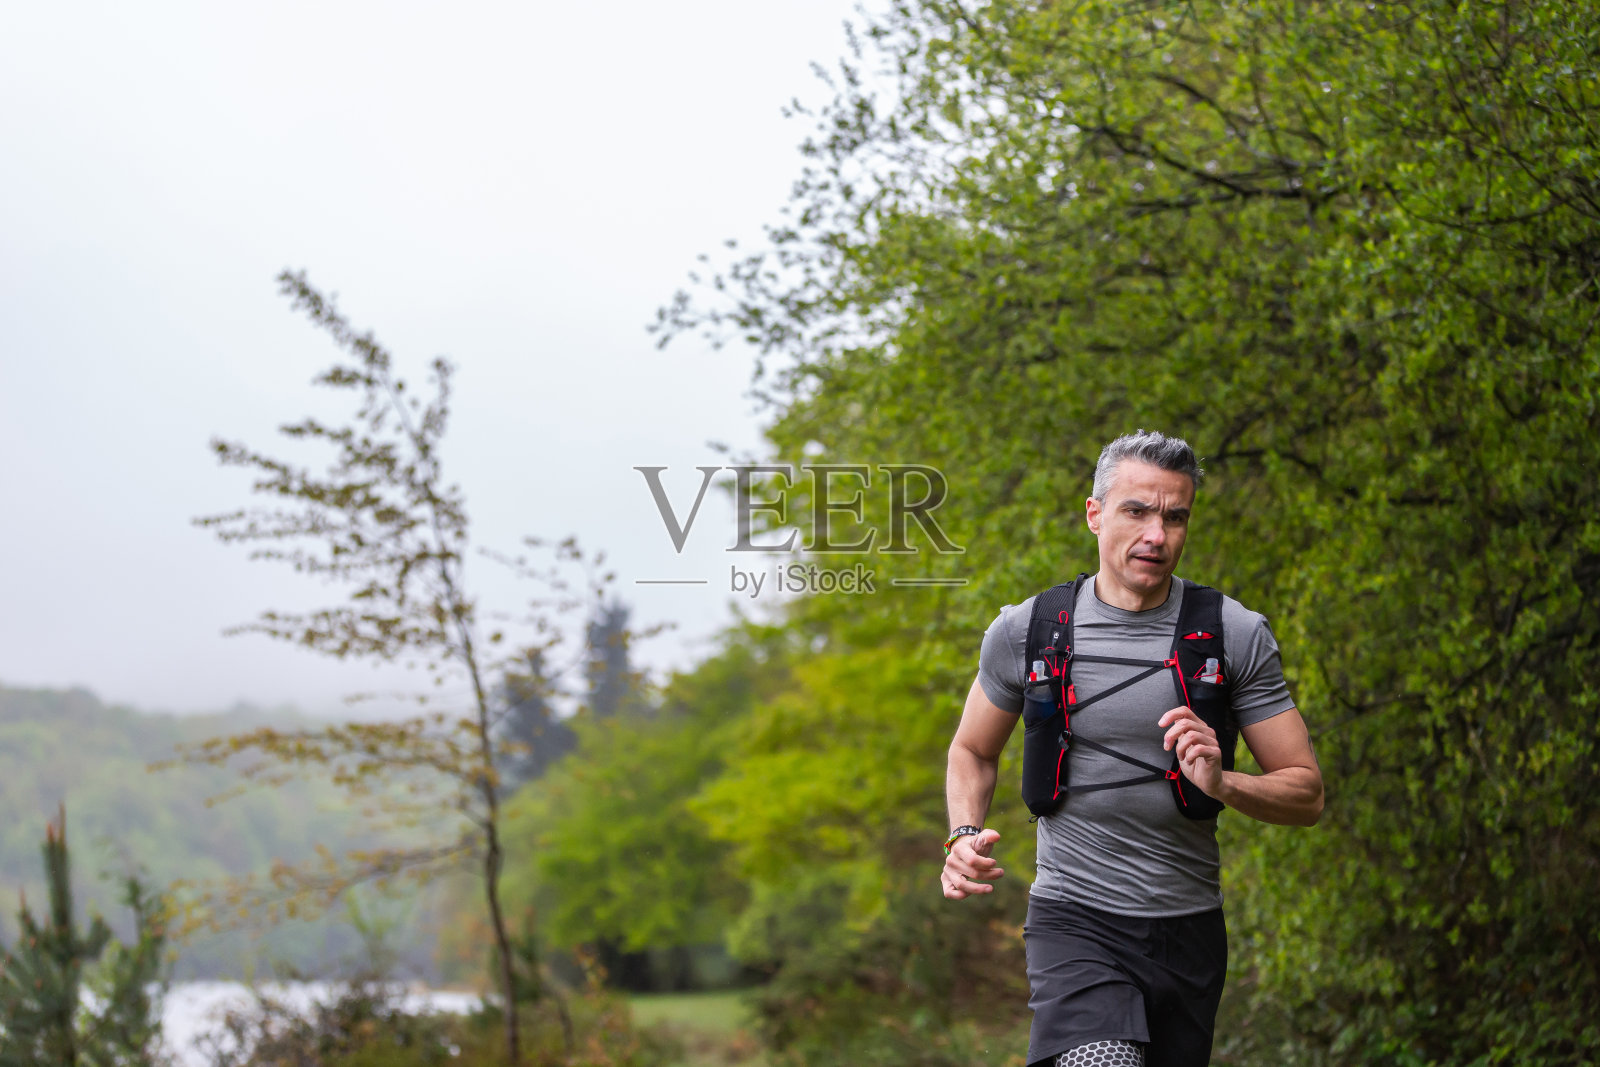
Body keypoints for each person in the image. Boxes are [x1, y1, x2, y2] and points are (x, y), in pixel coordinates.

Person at [942, 430, 1324, 1067]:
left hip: (1189, 928)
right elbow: (973, 751)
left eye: (1176, 517)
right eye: (1137, 511)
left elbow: (1305, 794)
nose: (1157, 535)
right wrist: (961, 834)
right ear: (1094, 514)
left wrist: (1224, 782)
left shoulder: (1232, 634)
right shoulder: (1029, 630)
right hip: (1074, 917)